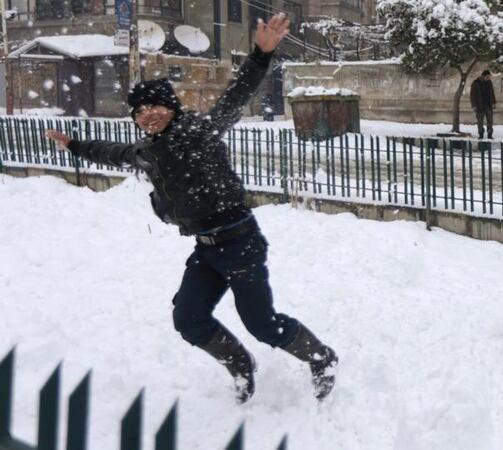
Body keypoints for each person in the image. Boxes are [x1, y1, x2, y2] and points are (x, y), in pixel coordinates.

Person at [44, 13, 338, 404]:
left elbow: (235, 97)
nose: (148, 113)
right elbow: (111, 153)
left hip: (240, 242)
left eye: (156, 106)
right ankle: (240, 364)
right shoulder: (147, 151)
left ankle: (322, 358)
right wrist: (75, 146)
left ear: (172, 109)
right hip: (206, 248)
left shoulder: (199, 131)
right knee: (188, 319)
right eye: (140, 110)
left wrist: (260, 56)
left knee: (262, 324)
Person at [470, 69, 496, 140]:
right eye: (487, 77)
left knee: (490, 120)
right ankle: (481, 134)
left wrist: (493, 102)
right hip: (479, 105)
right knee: (480, 121)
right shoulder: (476, 83)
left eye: (489, 77)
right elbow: (472, 95)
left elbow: (492, 93)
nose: (488, 78)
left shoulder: (489, 82)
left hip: (488, 105)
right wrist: (474, 105)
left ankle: (490, 134)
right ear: (483, 76)